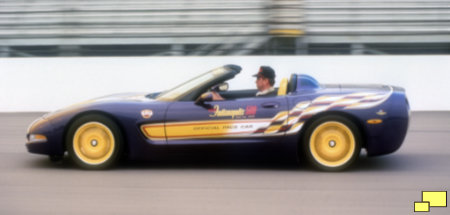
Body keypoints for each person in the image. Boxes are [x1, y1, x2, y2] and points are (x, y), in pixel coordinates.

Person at [209, 66, 277, 100]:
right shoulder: (265, 94)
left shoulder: (267, 98)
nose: (255, 81)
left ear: (266, 81)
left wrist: (220, 100)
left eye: (258, 78)